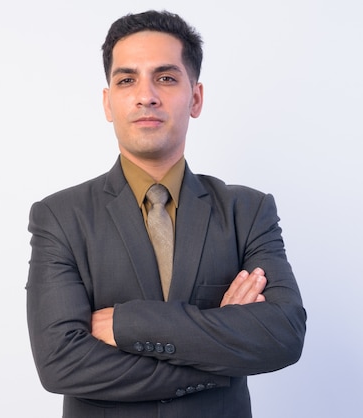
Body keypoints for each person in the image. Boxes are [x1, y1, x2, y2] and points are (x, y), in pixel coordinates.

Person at [25, 9, 306, 418]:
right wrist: (219, 354)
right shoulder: (60, 217)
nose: (146, 95)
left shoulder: (247, 210)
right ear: (108, 102)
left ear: (195, 98)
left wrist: (126, 324)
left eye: (166, 77)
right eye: (126, 80)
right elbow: (60, 363)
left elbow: (282, 335)